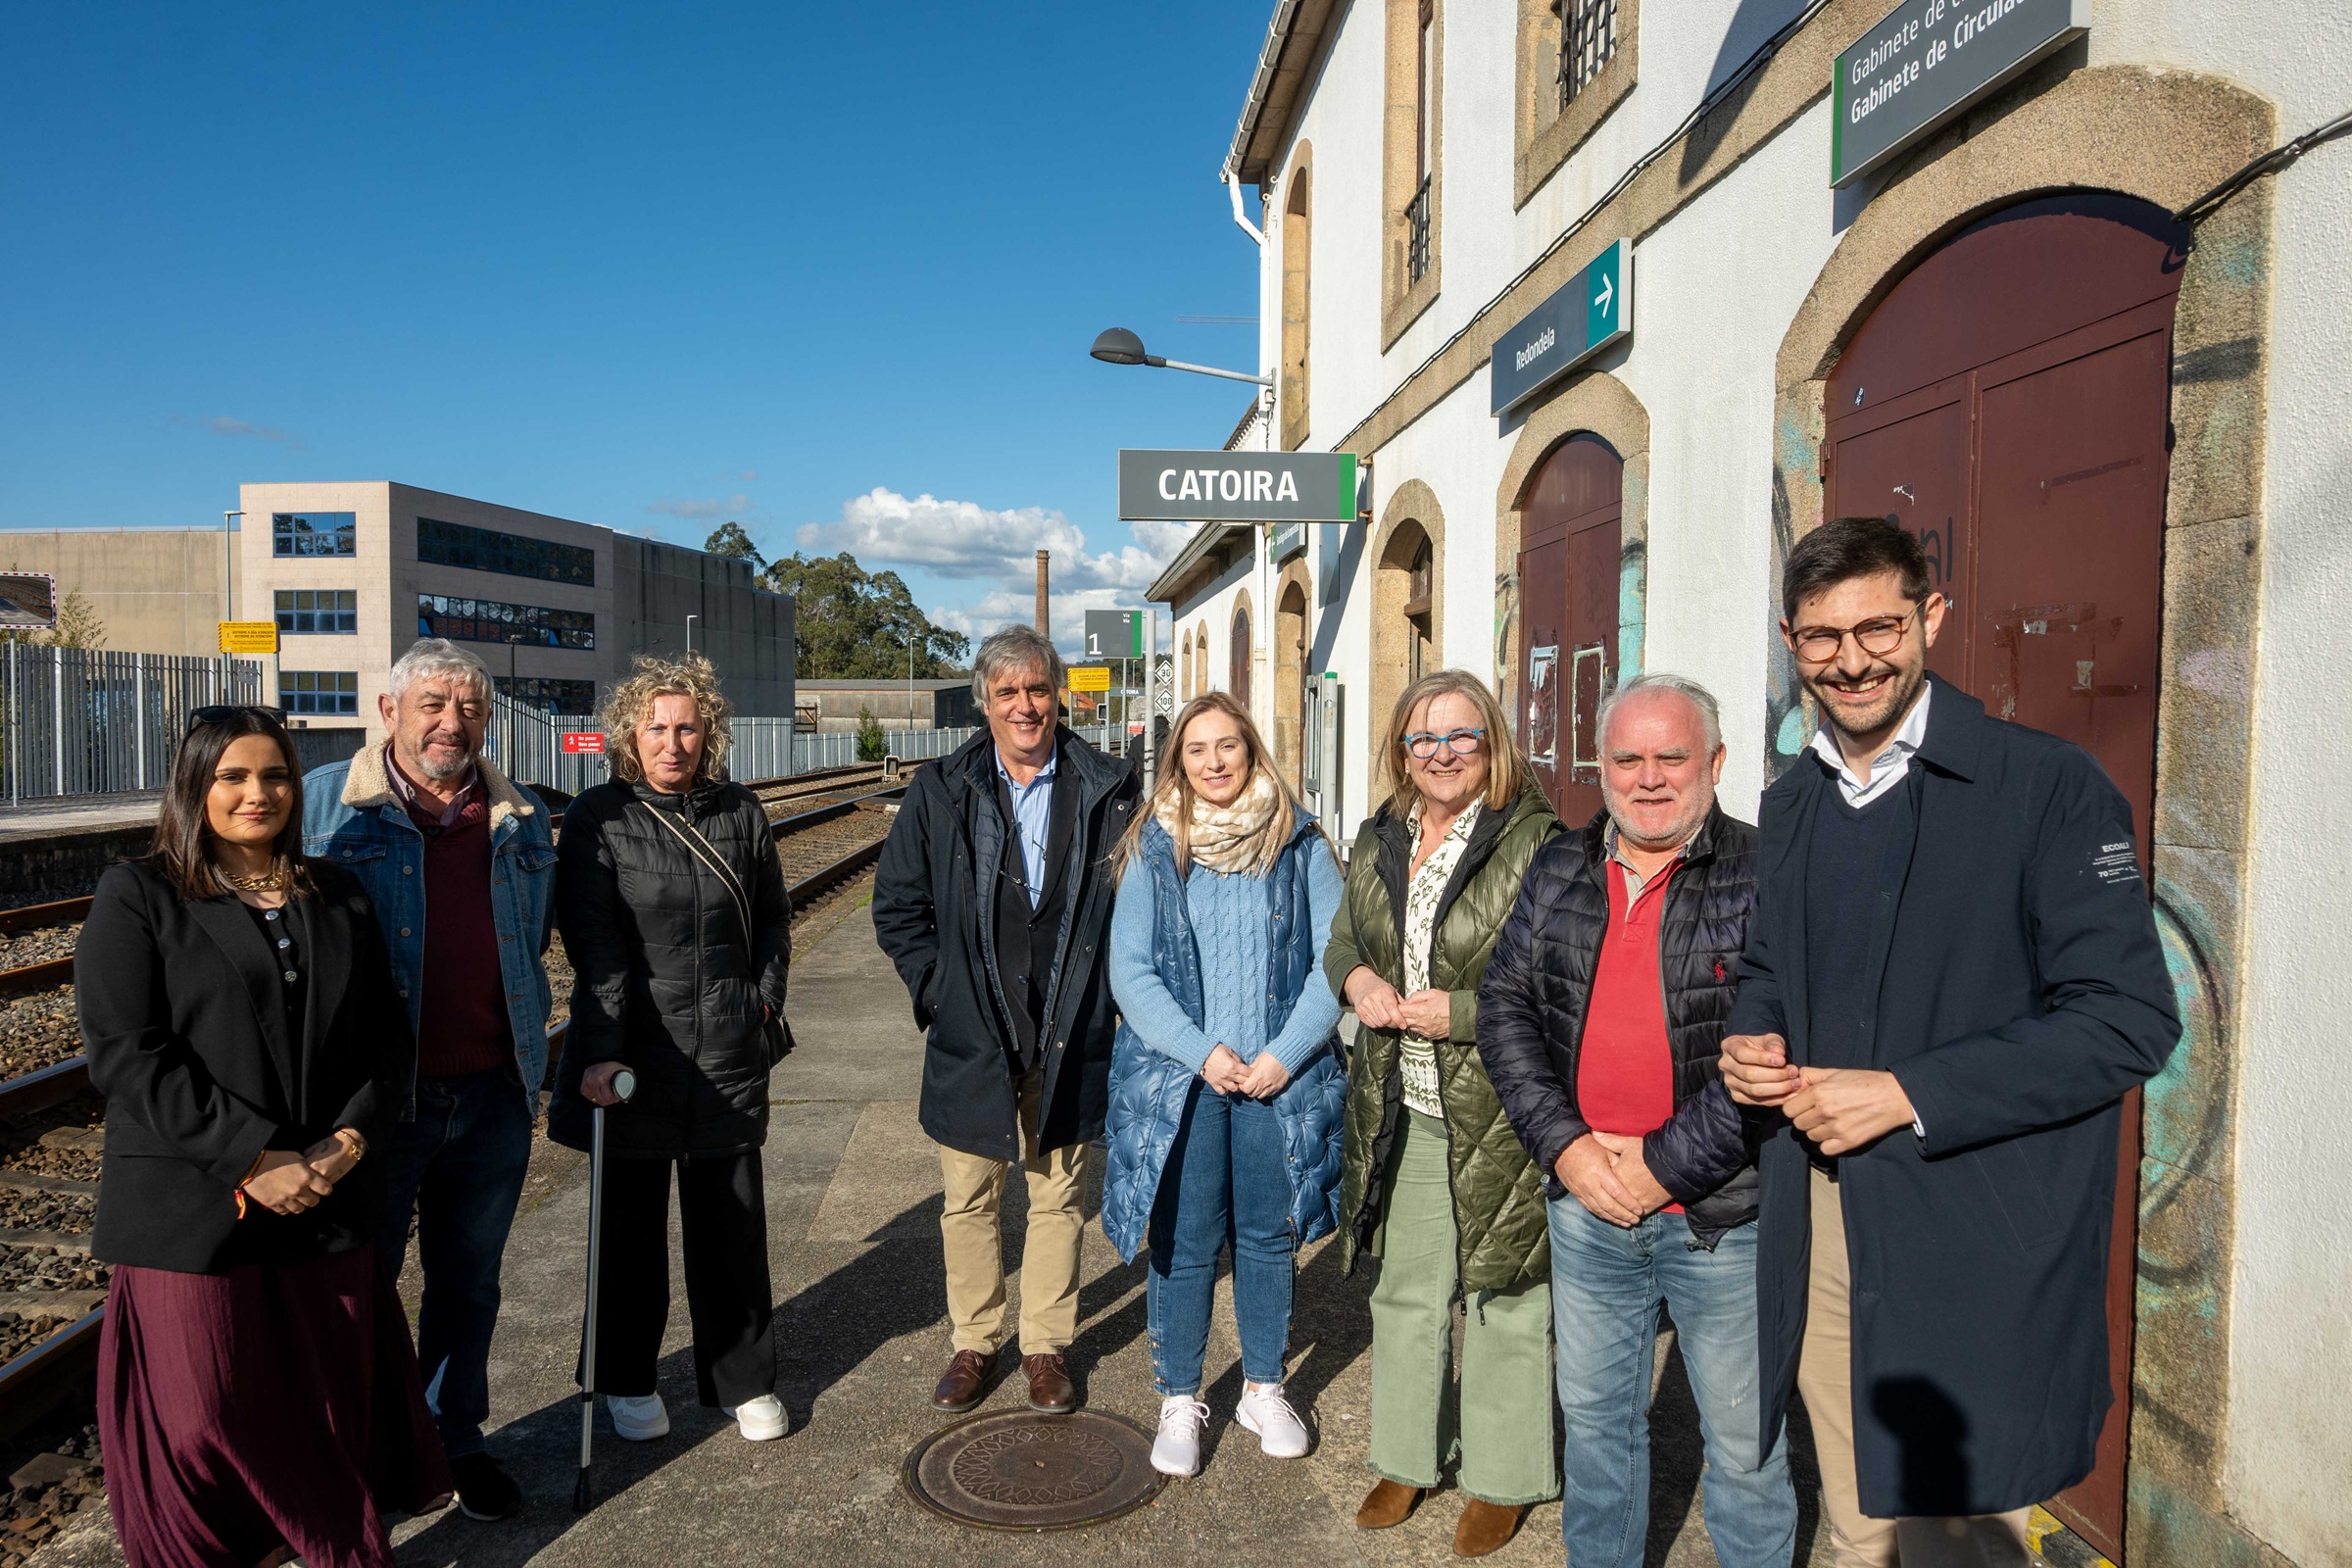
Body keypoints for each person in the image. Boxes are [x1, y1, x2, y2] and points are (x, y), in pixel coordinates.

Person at [1719, 517, 2180, 1566]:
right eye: (1823, 638)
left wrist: (1908, 1092)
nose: (1853, 660)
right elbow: (1766, 973)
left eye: (1878, 626)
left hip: (1975, 1224)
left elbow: (2128, 1021)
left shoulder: (2046, 788)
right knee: (1856, 1521)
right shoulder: (1791, 801)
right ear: (1790, 640)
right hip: (1825, 1211)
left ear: (1932, 615)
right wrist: (1752, 1036)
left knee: (1953, 1538)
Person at [81, 706, 449, 1568]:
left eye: (275, 776)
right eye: (233, 777)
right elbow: (127, 1054)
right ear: (195, 788)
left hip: (324, 1195)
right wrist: (252, 1158)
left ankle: (327, 1548)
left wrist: (346, 1144)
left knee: (327, 1401)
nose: (258, 794)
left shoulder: (337, 891)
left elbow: (386, 1040)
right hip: (191, 1203)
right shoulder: (138, 893)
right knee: (207, 1409)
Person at [1477, 673, 1796, 1568]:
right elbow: (1504, 1008)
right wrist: (1567, 1150)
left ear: (1717, 764)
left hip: (1723, 1218)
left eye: (1672, 757)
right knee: (1599, 1434)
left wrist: (1658, 1169)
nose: (1649, 778)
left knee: (1745, 1448)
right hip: (1585, 1210)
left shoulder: (1767, 875)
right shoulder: (1560, 865)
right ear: (1602, 768)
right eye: (1628, 758)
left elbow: (1772, 1056)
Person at [303, 637, 556, 1521]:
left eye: (471, 709)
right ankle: (363, 1457)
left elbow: (533, 946)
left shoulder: (520, 817)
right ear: (390, 712)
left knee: (469, 1281)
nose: (454, 724)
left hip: (491, 1090)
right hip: (371, 1106)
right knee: (359, 1284)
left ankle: (455, 1441)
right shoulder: (324, 808)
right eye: (434, 706)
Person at [873, 623, 1141, 1415]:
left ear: (1057, 693)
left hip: (1071, 1028)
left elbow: (1139, 906)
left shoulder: (1109, 784)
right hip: (973, 1032)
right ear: (984, 703)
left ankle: (1046, 1346)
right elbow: (898, 907)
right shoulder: (941, 787)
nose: (1025, 706)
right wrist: (937, 991)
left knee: (1058, 1197)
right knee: (968, 1198)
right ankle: (974, 1340)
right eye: (1008, 693)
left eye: (1037, 689)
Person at [1325, 669, 1562, 1558]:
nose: (1442, 754)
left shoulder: (1537, 841)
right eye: (1424, 739)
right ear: (1401, 751)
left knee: (1505, 1293)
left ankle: (1503, 1476)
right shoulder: (1380, 834)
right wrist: (1357, 979)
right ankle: (1406, 1456)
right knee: (1408, 1290)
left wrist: (1456, 1013)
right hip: (1405, 1099)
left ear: (1491, 742)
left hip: (1503, 1105)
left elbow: (1559, 981)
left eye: (1461, 736)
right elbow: (1347, 936)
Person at [1102, 692, 1347, 1479]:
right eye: (1197, 749)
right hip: (1187, 1079)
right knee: (1186, 1238)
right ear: (1178, 760)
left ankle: (1263, 1387)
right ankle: (1180, 1397)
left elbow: (1334, 957)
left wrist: (1285, 1053)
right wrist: (1203, 1053)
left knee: (1269, 1236)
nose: (1213, 762)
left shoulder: (1300, 841)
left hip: (1278, 1076)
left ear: (1252, 750)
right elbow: (1130, 973)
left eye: (1228, 747)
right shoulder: (1153, 845)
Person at [551, 653, 793, 1444]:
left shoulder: (741, 813)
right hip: (634, 1058)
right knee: (628, 1233)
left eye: (687, 727)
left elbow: (772, 923)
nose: (672, 742)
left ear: (709, 733)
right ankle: (624, 1376)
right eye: (655, 727)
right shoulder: (600, 817)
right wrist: (597, 1051)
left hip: (726, 1048)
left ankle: (742, 1380)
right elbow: (595, 949)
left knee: (731, 1228)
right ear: (628, 733)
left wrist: (762, 1007)